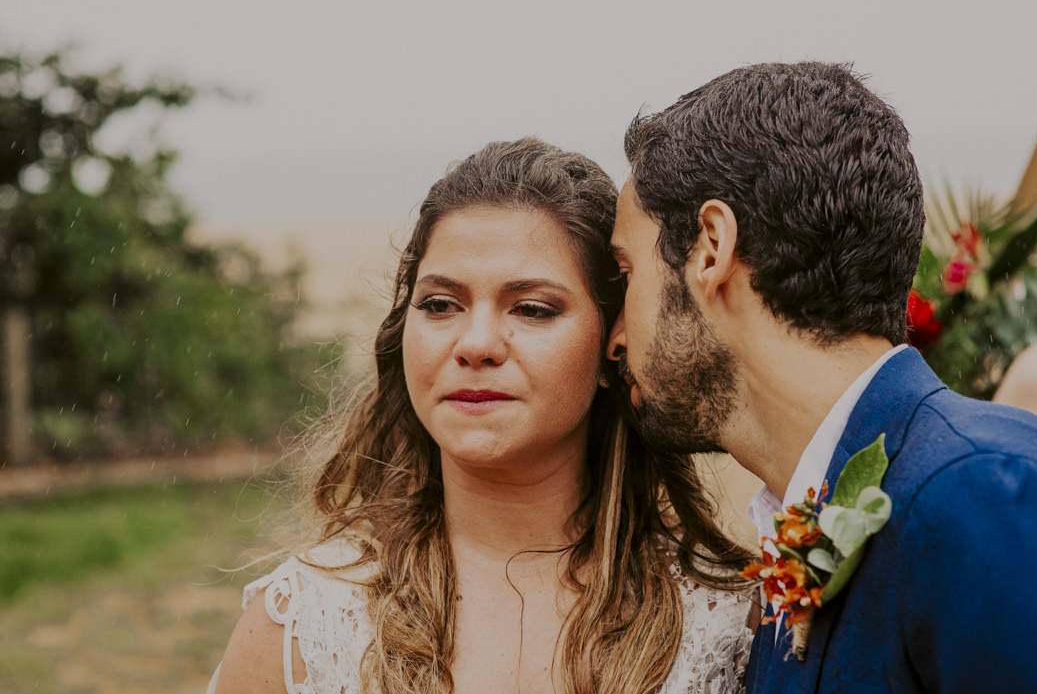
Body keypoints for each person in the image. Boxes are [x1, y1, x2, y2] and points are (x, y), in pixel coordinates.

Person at [208, 137, 757, 694]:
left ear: (612, 341)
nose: (476, 344)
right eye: (441, 304)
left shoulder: (731, 625)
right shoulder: (301, 629)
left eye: (532, 308)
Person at [606, 62, 1037, 693]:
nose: (615, 338)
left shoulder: (984, 491)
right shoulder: (802, 547)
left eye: (626, 271)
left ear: (710, 250)